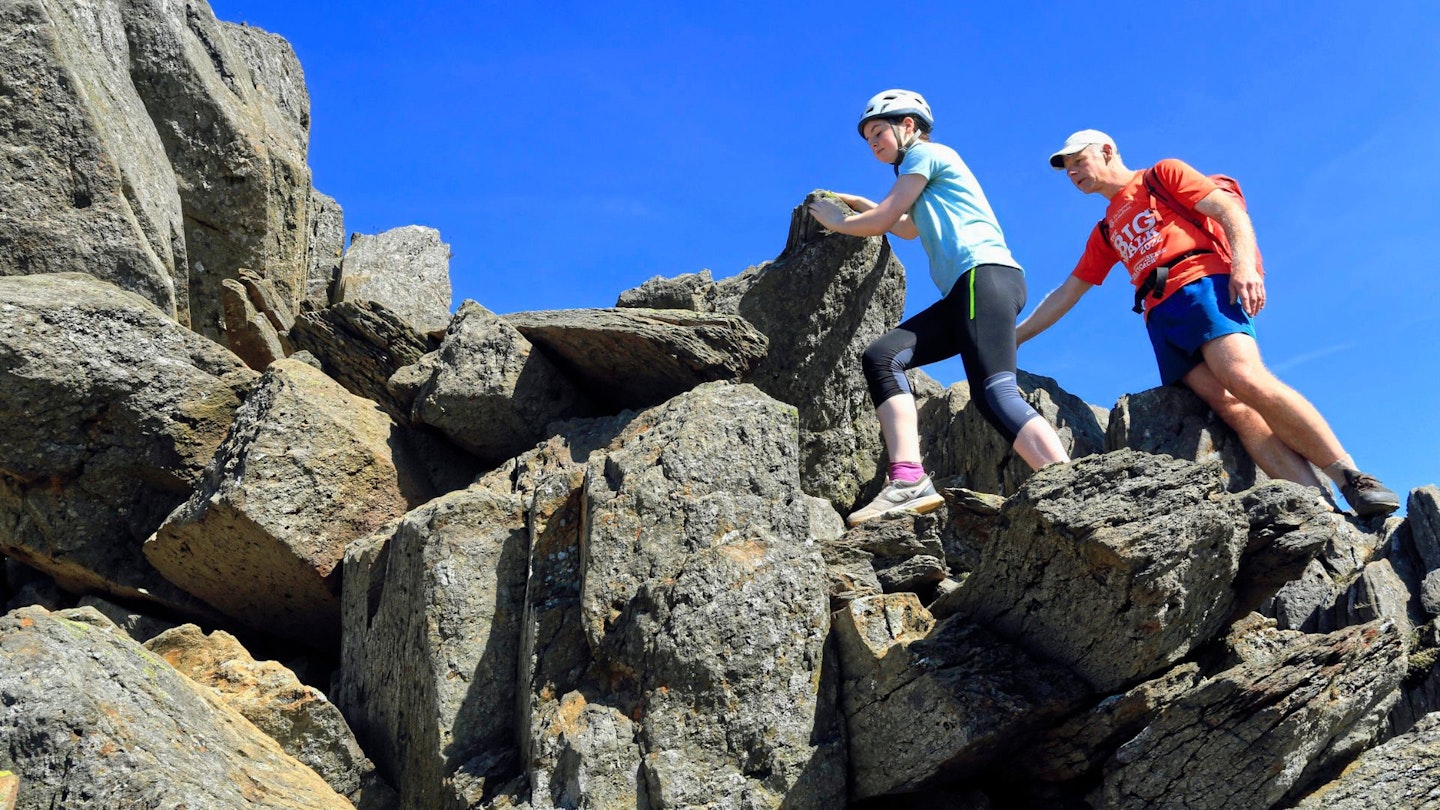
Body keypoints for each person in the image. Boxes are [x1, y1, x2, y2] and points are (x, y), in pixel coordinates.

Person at [1017, 129, 1398, 517]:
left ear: (1108, 151)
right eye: (1067, 168)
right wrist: (1012, 339)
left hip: (1201, 283)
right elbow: (1067, 293)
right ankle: (1320, 508)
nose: (1073, 172)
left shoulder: (1161, 175)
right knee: (1233, 407)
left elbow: (1228, 210)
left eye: (1079, 161)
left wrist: (1244, 266)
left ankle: (1350, 477)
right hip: (1159, 317)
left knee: (1244, 377)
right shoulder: (1106, 230)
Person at [808, 89, 1071, 527]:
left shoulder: (926, 155)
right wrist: (867, 206)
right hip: (970, 289)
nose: (873, 143)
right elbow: (908, 227)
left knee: (995, 392)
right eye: (867, 138)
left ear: (908, 126)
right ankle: (909, 480)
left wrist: (838, 220)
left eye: (879, 131)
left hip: (981, 276)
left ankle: (1068, 482)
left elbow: (884, 221)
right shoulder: (925, 171)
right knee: (882, 356)